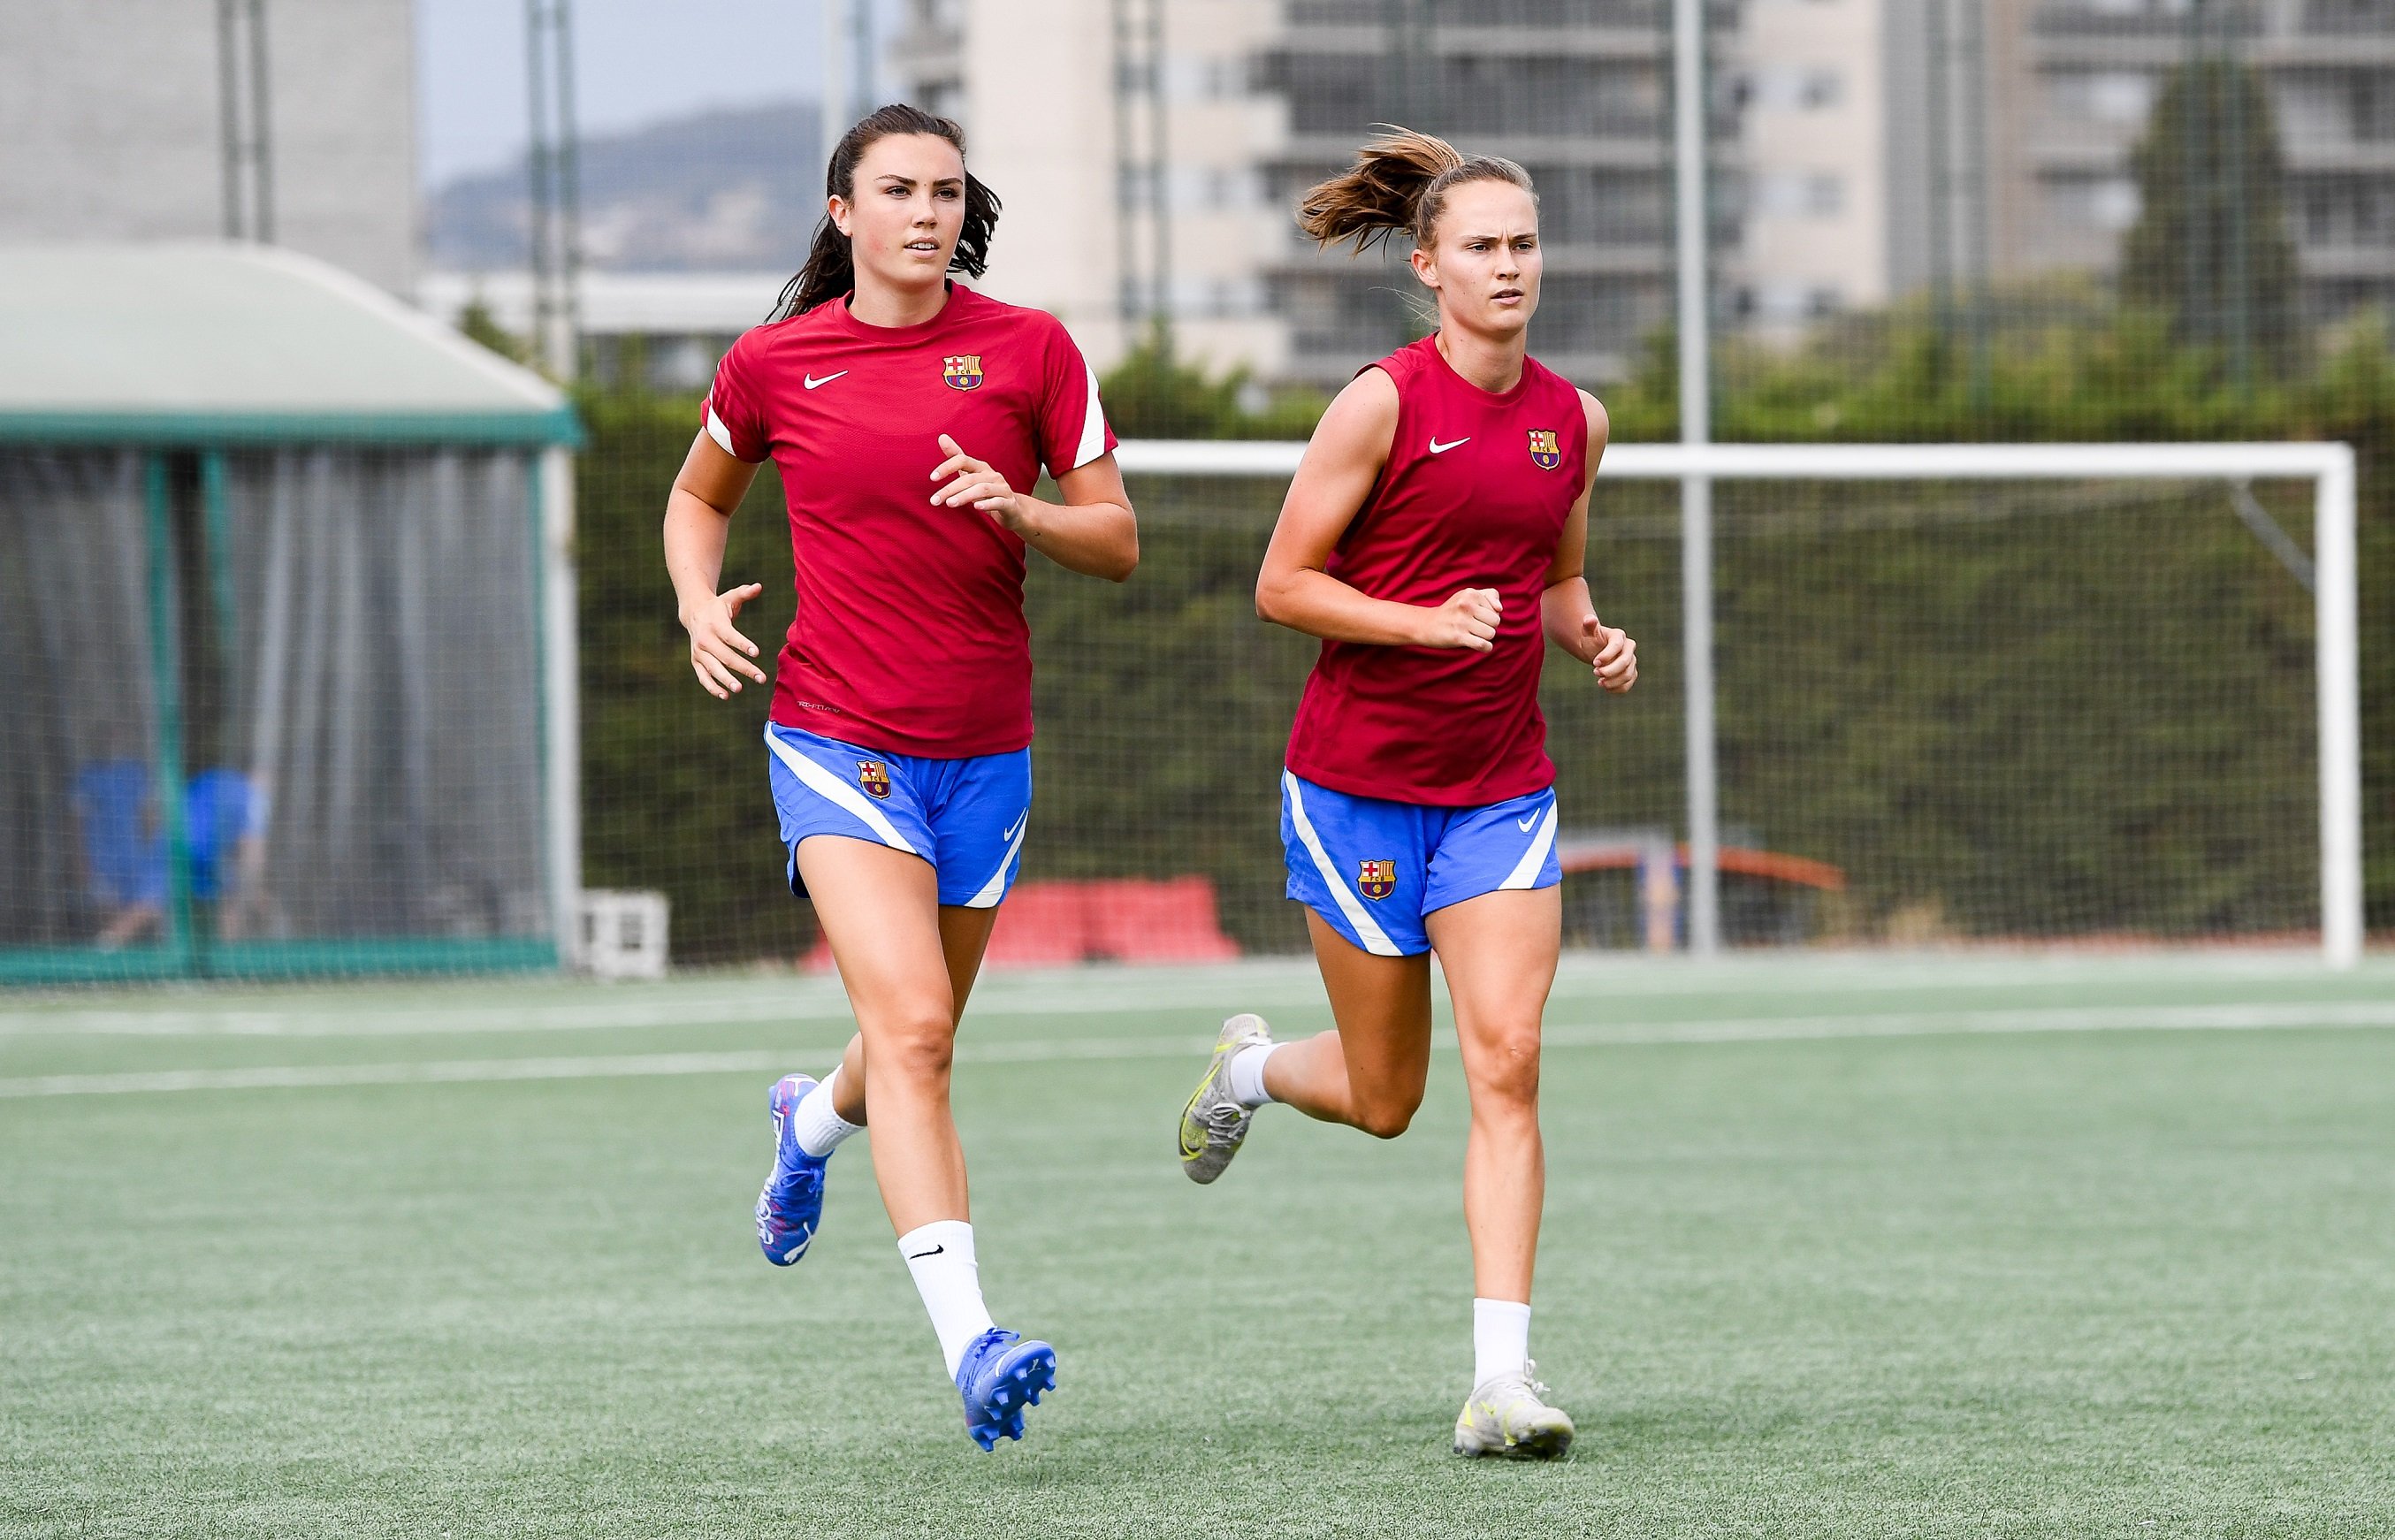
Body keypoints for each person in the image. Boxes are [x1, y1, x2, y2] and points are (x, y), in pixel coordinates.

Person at [661, 103, 1137, 1452]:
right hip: (833, 738)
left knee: (905, 1038)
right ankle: (971, 1338)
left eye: (944, 191)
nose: (926, 213)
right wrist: (698, 601)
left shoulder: (1031, 351)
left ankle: (805, 1124)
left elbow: (1114, 540)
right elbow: (697, 497)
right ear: (842, 212)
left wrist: (1023, 505)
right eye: (896, 191)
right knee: (919, 1030)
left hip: (985, 758)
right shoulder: (772, 362)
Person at [1173, 128, 1639, 1460]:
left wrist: (1589, 635)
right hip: (1356, 791)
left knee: (1509, 1060)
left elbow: (1549, 579)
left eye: (1525, 243)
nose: (1509, 265)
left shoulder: (1573, 419)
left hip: (1501, 792)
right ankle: (1250, 1068)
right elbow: (1283, 583)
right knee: (1387, 1098)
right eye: (1483, 246)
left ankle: (1502, 1379)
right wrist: (1412, 623)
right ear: (1429, 265)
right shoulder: (1378, 403)